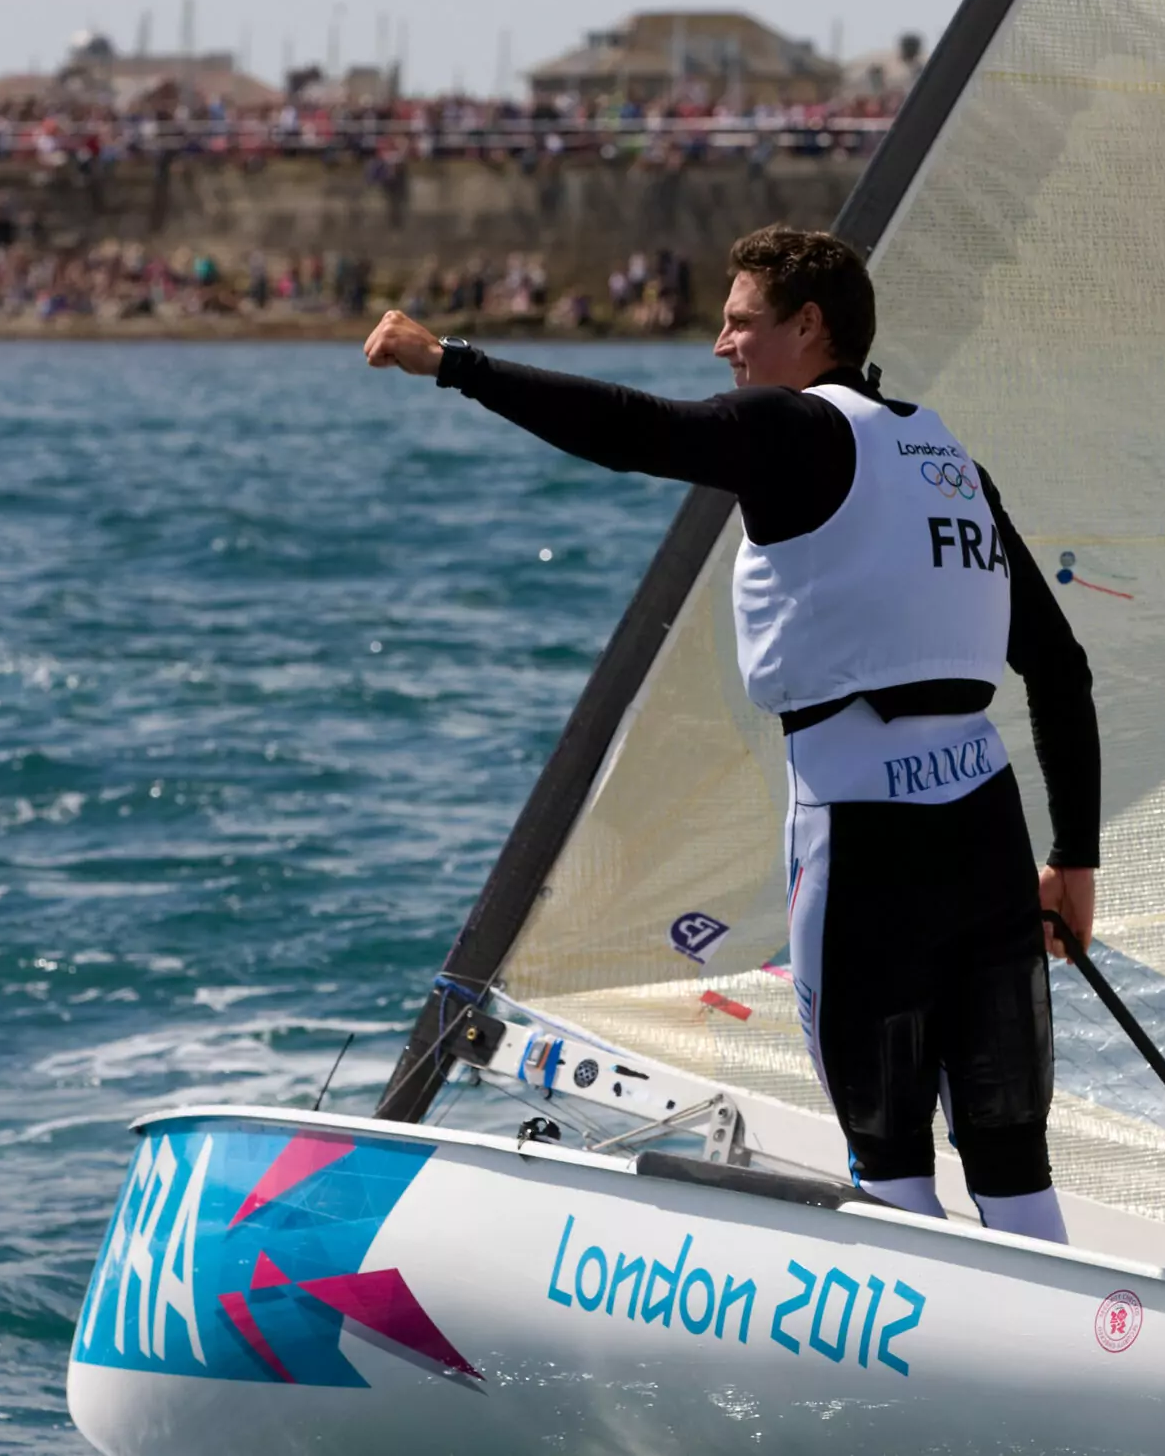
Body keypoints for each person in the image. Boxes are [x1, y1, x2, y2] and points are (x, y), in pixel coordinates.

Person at [362, 225, 1099, 1243]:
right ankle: (1070, 1367)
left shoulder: (794, 431)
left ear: (808, 326)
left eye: (740, 322)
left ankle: (919, 1373)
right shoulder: (948, 460)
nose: (721, 344)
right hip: (987, 834)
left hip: (868, 840)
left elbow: (633, 429)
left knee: (890, 1165)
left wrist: (454, 364)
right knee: (1014, 1164)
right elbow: (1057, 667)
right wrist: (1074, 861)